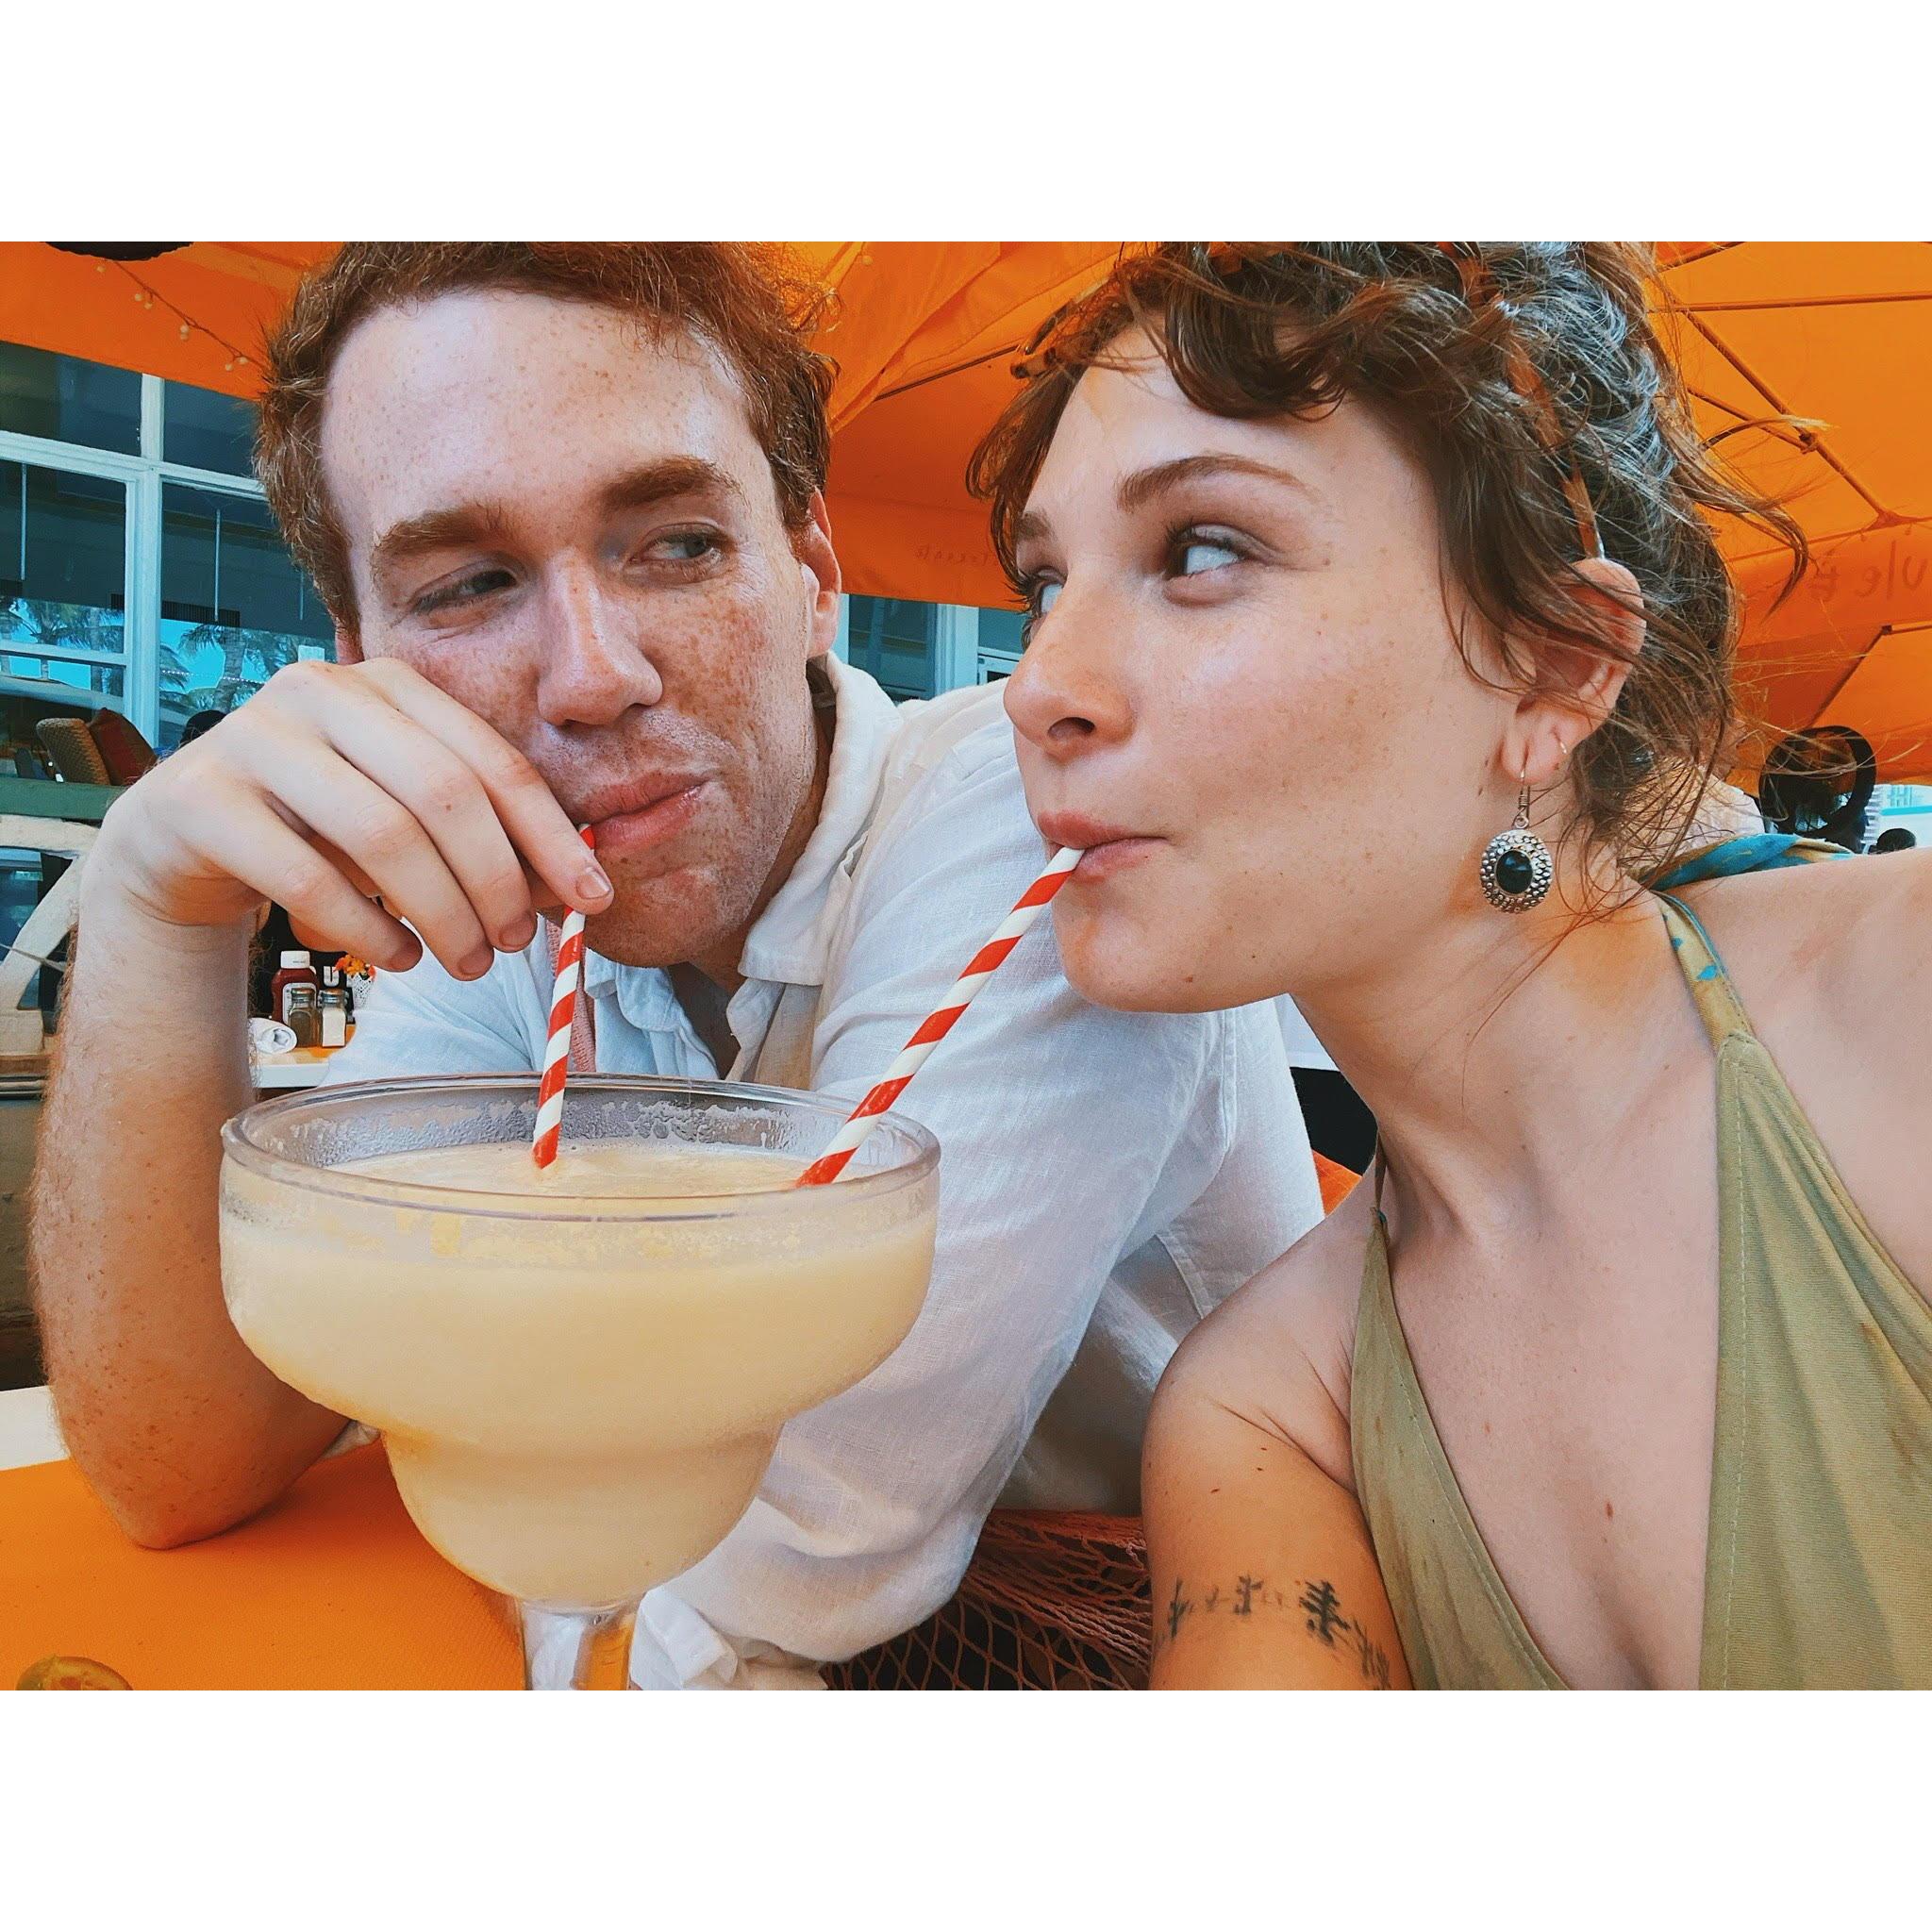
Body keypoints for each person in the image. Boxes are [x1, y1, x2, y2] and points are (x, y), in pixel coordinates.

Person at [30, 243, 1321, 1690]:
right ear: (359, 660)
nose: (592, 678)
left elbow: (793, 1549)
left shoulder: (1019, 825)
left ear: (812, 575)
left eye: (680, 545)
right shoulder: (513, 906)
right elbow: (184, 1459)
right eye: (468, 584)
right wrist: (152, 901)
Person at [972, 242, 1932, 1689]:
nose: (1039, 683)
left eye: (1203, 550)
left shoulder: (1901, 1005)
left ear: (1553, 667)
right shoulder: (1267, 1407)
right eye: (1046, 583)